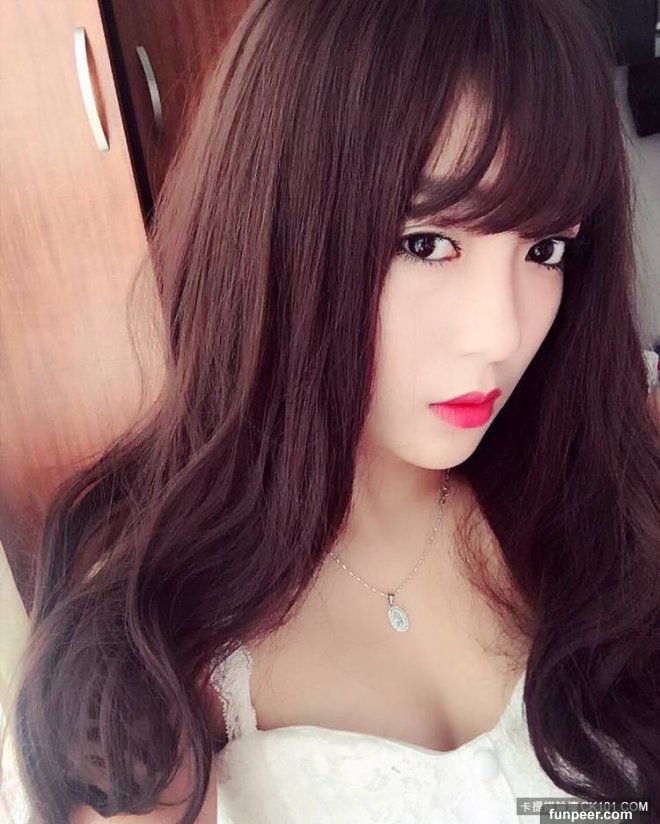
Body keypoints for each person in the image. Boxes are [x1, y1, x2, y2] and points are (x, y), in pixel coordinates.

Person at [4, 0, 659, 822]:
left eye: (546, 249)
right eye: (426, 243)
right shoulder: (149, 638)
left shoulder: (608, 498)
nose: (500, 334)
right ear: (275, 225)